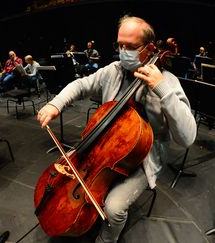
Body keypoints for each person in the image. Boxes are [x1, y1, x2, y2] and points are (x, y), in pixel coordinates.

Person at [37, 15, 197, 243]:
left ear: (149, 48)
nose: (123, 52)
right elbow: (82, 84)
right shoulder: (114, 70)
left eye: (131, 47)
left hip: (143, 159)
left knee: (113, 209)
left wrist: (162, 90)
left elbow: (188, 137)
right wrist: (56, 103)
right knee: (61, 177)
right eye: (120, 45)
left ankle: (107, 239)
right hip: (101, 148)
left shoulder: (168, 82)